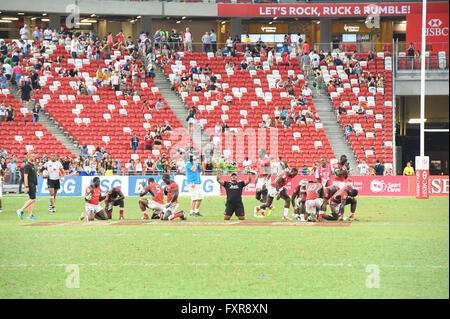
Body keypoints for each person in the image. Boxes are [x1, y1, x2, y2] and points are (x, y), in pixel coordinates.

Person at [16, 152, 38, 220]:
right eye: (32, 156)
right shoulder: (27, 165)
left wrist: (36, 185)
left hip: (33, 184)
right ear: (28, 157)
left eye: (34, 156)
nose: (34, 157)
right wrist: (26, 186)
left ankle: (30, 215)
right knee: (33, 199)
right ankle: (21, 210)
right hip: (30, 184)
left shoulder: (32, 165)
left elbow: (34, 176)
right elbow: (25, 176)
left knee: (32, 199)